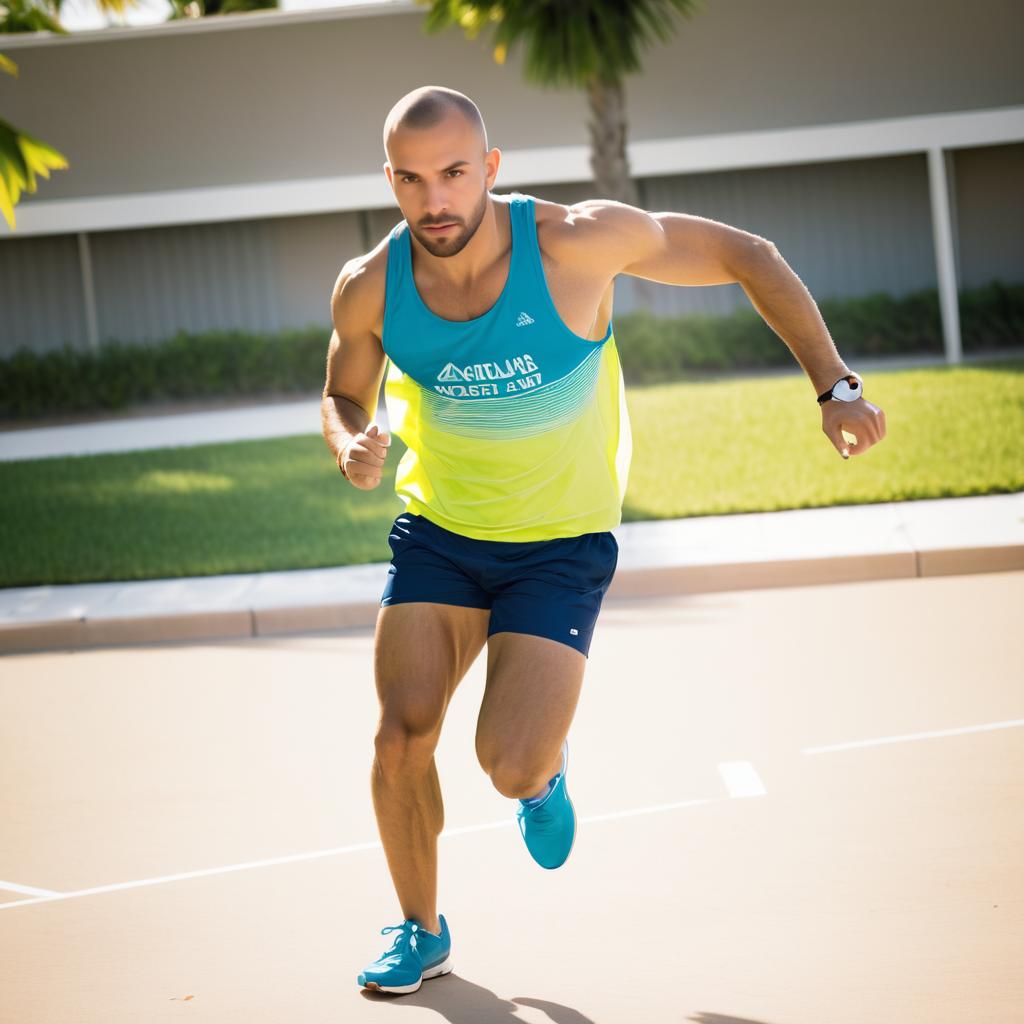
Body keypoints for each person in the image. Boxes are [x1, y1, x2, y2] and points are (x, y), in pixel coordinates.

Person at [321, 85, 886, 995]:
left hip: (560, 544)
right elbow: (344, 390)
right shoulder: (370, 286)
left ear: (491, 170)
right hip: (440, 533)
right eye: (414, 179)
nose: (436, 201)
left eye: (456, 174)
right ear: (390, 179)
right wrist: (351, 439)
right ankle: (420, 930)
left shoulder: (576, 242)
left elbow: (749, 255)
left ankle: (542, 775)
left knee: (506, 764)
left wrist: (836, 387)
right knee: (399, 738)